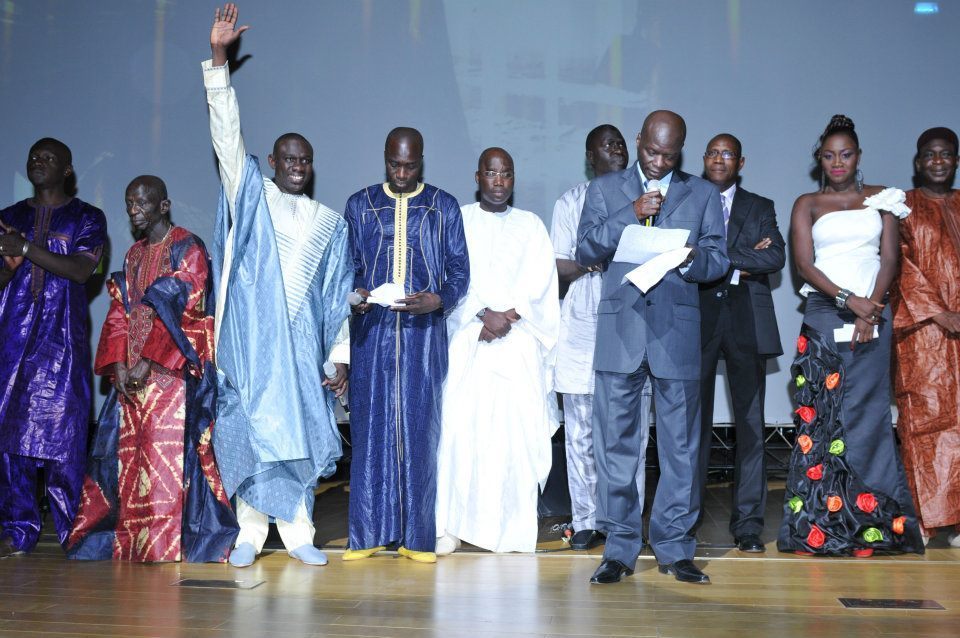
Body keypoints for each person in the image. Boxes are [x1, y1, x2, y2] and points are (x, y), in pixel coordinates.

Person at [202, 4, 353, 568]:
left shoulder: (328, 222)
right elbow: (225, 134)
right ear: (271, 162)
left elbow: (339, 294)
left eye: (304, 161)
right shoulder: (252, 197)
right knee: (251, 435)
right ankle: (248, 535)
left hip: (299, 351)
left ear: (311, 167)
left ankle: (299, 534)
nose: (295, 166)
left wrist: (338, 356)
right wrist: (220, 60)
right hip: (249, 346)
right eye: (286, 158)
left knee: (296, 438)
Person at [577, 110, 729, 584]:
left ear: (680, 149)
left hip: (676, 333)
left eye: (669, 154)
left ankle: (674, 548)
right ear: (639, 140)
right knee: (616, 447)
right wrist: (632, 214)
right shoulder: (604, 190)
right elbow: (585, 250)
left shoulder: (702, 193)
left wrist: (689, 259)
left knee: (680, 447)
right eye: (651, 151)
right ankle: (619, 549)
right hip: (621, 332)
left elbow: (718, 260)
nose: (659, 161)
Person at [67, 176, 238, 562]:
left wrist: (149, 360)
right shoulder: (132, 256)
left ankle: (166, 545)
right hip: (134, 377)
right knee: (133, 459)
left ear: (164, 205)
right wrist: (120, 366)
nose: (134, 210)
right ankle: (136, 544)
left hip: (171, 376)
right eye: (129, 203)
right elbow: (120, 314)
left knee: (168, 462)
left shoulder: (187, 248)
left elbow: (187, 312)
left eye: (142, 203)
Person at [779, 114, 923, 556]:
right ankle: (818, 526)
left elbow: (889, 261)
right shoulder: (807, 203)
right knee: (819, 418)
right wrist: (847, 300)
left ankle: (874, 523)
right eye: (829, 155)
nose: (837, 162)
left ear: (858, 157)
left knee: (869, 417)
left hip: (874, 313)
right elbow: (804, 265)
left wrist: (871, 309)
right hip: (825, 314)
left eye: (845, 154)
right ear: (819, 160)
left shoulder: (884, 198)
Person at [344, 127, 469, 564]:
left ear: (422, 161)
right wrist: (358, 297)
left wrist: (440, 300)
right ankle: (367, 534)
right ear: (384, 158)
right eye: (394, 164)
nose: (401, 173)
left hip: (423, 335)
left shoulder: (443, 206)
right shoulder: (359, 205)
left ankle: (417, 538)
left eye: (410, 165)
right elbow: (350, 267)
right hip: (373, 333)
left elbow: (459, 271)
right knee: (371, 428)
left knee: (419, 429)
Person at [435, 148, 559, 554]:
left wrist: (507, 316)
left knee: (511, 440)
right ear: (478, 177)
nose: (500, 181)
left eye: (507, 173)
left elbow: (541, 283)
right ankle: (450, 526)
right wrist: (482, 315)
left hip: (518, 344)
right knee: (459, 435)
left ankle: (510, 530)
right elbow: (450, 278)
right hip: (467, 342)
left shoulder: (531, 225)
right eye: (491, 173)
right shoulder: (460, 221)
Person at [0, 138, 107, 558]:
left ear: (67, 169)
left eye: (49, 158)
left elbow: (81, 271)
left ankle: (72, 529)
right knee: (10, 436)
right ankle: (19, 528)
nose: (38, 162)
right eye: (33, 156)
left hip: (62, 340)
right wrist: (9, 267)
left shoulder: (87, 217)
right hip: (12, 338)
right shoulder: (8, 218)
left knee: (64, 435)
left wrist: (26, 248)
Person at [551, 124, 651, 552]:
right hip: (581, 324)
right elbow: (561, 266)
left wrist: (596, 254)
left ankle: (625, 520)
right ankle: (587, 520)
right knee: (581, 431)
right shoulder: (571, 201)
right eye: (607, 146)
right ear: (590, 158)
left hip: (631, 317)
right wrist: (596, 260)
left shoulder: (650, 200)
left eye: (621, 144)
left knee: (629, 429)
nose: (617, 151)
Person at [697, 134, 785, 553]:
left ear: (741, 162)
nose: (719, 159)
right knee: (690, 426)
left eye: (727, 153)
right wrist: (745, 255)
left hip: (747, 323)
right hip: (695, 322)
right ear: (703, 158)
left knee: (750, 427)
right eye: (713, 152)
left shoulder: (760, 206)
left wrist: (721, 258)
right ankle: (685, 519)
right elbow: (679, 255)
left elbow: (775, 259)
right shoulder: (687, 199)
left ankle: (748, 525)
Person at [891, 126, 960, 547]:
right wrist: (939, 312)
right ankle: (929, 519)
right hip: (924, 338)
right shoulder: (904, 208)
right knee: (926, 423)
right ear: (918, 163)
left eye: (947, 154)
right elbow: (900, 265)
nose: (938, 160)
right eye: (930, 154)